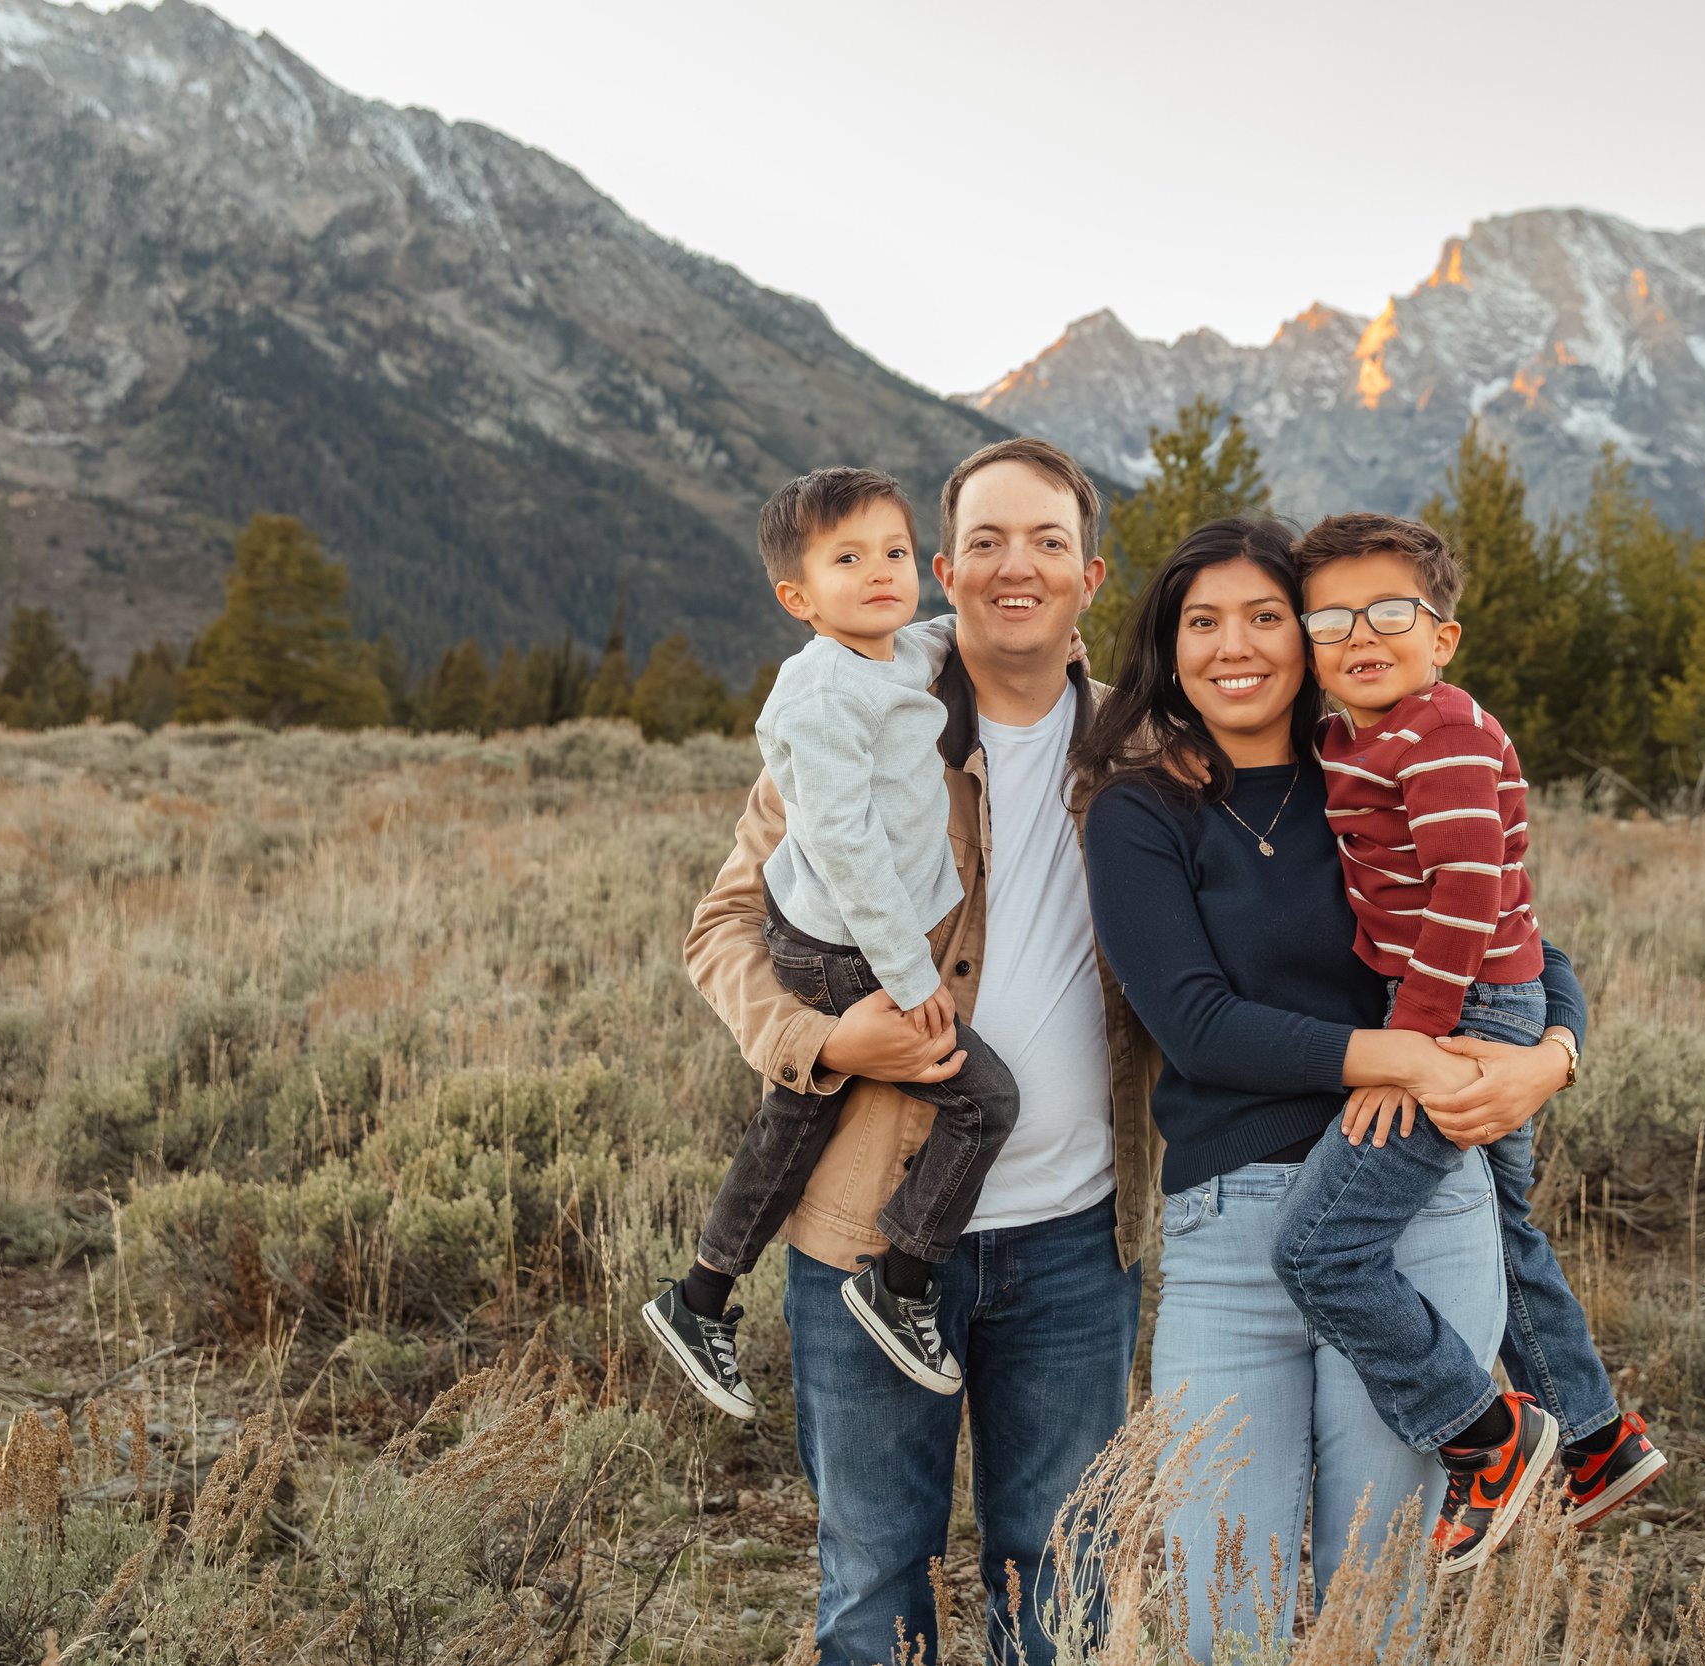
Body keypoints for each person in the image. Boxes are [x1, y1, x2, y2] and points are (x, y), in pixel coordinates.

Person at [1073, 519, 1587, 1656]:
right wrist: (1397, 1053)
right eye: (1201, 622)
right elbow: (1196, 1026)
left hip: (1414, 1216)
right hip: (1230, 1237)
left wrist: (1551, 1060)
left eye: (1265, 616)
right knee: (1224, 1604)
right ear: (1168, 646)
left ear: (1305, 643)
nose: (1235, 646)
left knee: (1378, 1610)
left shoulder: (1381, 760)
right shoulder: (1141, 811)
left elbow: (1526, 947)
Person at [681, 438, 1157, 1666]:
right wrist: (826, 1036)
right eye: (987, 541)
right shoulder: (861, 711)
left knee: (1058, 1573)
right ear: (946, 568)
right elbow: (724, 927)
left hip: (1072, 1242)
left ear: (1089, 575)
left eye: (1047, 541)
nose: (1017, 566)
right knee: (873, 1572)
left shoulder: (1144, 753)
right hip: (864, 1232)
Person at [1267, 513, 1668, 1559]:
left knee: (1318, 1247)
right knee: (1503, 1231)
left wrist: (1415, 1042)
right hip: (1495, 998)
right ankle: (1594, 1438)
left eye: (1391, 611)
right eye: (1332, 617)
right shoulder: (1351, 733)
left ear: (1442, 637)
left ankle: (1481, 1437)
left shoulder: (1437, 728)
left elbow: (1462, 896)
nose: (1361, 632)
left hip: (1461, 1006)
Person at [645, 467, 1021, 1411]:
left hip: (846, 936)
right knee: (985, 1102)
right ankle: (898, 1285)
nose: (882, 572)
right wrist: (906, 976)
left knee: (796, 1118)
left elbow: (939, 635)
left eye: (895, 553)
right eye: (848, 559)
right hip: (840, 946)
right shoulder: (815, 695)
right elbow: (848, 849)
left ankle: (702, 1297)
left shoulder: (894, 653)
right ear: (798, 598)